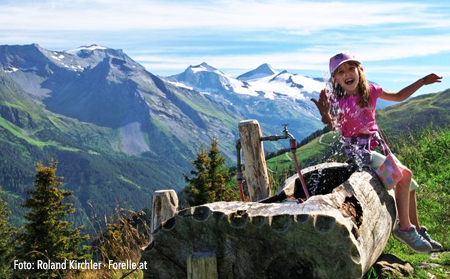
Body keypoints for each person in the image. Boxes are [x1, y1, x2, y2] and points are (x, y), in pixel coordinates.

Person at [311, 51, 443, 253]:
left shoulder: (370, 91)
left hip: (378, 147)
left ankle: (416, 228)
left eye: (350, 68)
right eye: (340, 72)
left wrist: (422, 81)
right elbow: (333, 125)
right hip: (360, 153)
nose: (347, 73)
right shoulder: (338, 102)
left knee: (411, 186)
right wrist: (325, 115)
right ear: (336, 79)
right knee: (405, 175)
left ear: (359, 70)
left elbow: (398, 96)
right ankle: (404, 228)